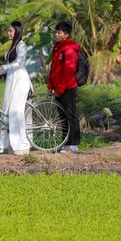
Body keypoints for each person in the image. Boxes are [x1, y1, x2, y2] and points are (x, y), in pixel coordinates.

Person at [0, 21, 33, 155]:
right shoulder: (12, 46)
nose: (8, 33)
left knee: (16, 111)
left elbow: (18, 63)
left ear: (17, 31)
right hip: (11, 80)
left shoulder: (22, 45)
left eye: (10, 31)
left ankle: (22, 146)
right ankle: (11, 145)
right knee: (7, 112)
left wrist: (3, 67)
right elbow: (10, 67)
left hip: (20, 81)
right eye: (8, 30)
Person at [47, 21, 81, 153]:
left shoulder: (70, 50)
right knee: (61, 116)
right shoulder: (57, 48)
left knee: (70, 115)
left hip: (68, 87)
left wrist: (60, 89)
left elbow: (68, 72)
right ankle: (64, 142)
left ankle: (73, 144)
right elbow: (54, 70)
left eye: (59, 32)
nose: (56, 34)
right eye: (55, 32)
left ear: (66, 34)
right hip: (58, 88)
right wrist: (50, 85)